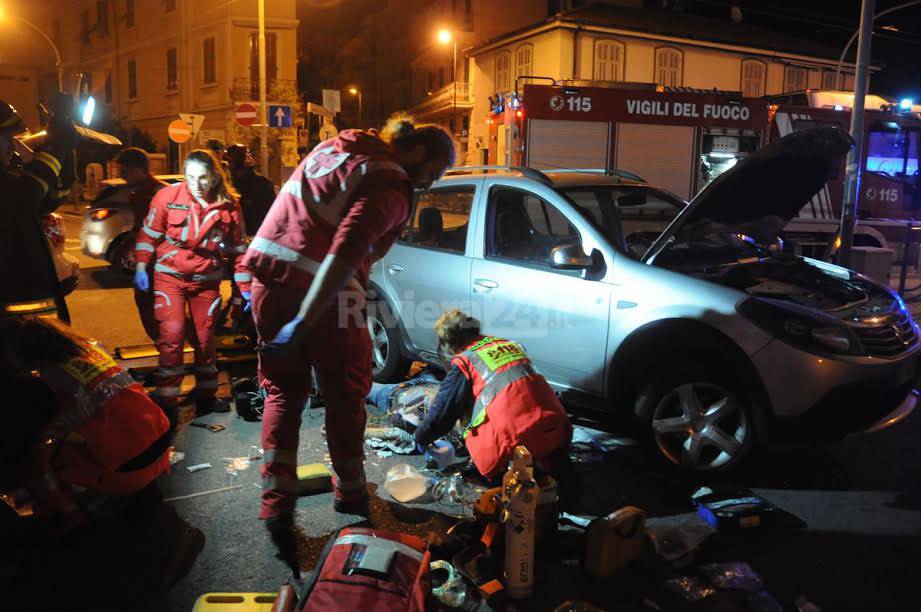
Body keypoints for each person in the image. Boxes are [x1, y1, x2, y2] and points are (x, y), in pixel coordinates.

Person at [242, 115, 455, 569]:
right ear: (417, 152)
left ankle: (275, 501)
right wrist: (305, 317)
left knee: (282, 393)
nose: (428, 184)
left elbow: (290, 219)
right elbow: (346, 253)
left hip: (266, 284)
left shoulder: (334, 150)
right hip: (324, 300)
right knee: (345, 395)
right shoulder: (390, 183)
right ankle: (352, 493)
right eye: (432, 173)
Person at [0, 316, 171, 528]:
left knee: (45, 453)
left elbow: (37, 458)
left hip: (128, 472)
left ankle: (92, 502)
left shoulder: (41, 380)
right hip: (161, 451)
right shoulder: (90, 350)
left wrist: (66, 508)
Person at [133, 150, 250, 420]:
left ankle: (206, 397)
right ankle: (167, 400)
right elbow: (148, 234)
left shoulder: (229, 206)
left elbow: (238, 252)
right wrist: (141, 265)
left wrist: (244, 290)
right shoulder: (167, 197)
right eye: (190, 177)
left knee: (205, 338)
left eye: (203, 178)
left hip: (205, 281)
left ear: (215, 176)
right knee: (171, 337)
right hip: (169, 276)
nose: (196, 184)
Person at [414, 309, 572, 482]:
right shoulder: (509, 344)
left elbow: (442, 413)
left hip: (514, 446)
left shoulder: (466, 361)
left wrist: (421, 437)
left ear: (450, 344)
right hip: (557, 431)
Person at [0, 98, 75, 321]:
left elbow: (49, 199)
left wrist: (65, 153)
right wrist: (55, 148)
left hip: (23, 325)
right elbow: (25, 195)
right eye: (7, 138)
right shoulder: (12, 188)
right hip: (14, 326)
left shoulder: (10, 179)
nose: (13, 146)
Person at [117, 147, 167, 341]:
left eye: (125, 171)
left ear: (137, 169)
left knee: (150, 304)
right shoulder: (143, 191)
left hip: (158, 261)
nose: (123, 177)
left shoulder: (152, 192)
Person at [224, 143, 275, 236]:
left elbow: (271, 215)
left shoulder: (262, 184)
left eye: (231, 163)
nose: (229, 167)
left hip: (255, 236)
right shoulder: (227, 184)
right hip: (232, 236)